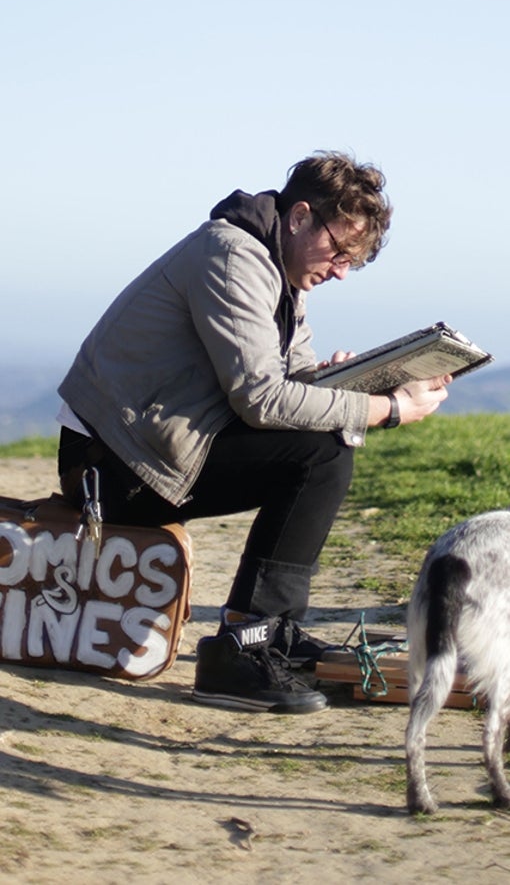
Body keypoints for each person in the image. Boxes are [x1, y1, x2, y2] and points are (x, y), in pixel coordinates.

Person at [57, 150, 450, 715]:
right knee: (321, 455)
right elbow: (262, 400)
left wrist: (347, 384)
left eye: (352, 260)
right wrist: (385, 409)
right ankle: (242, 647)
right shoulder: (232, 256)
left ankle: (273, 633)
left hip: (152, 449)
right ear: (298, 218)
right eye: (338, 249)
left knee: (324, 442)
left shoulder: (282, 272)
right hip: (108, 467)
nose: (340, 269)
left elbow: (291, 382)